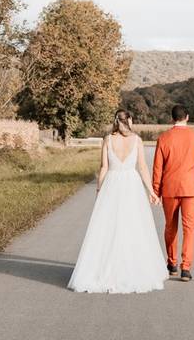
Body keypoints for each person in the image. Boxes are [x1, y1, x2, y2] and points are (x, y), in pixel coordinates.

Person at [68, 110, 167, 293]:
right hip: (132, 184)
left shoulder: (107, 139)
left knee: (109, 228)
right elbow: (143, 167)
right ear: (129, 120)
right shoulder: (137, 140)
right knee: (133, 226)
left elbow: (104, 167)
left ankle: (104, 270)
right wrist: (151, 191)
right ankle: (132, 270)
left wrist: (99, 191)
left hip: (112, 185)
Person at [152, 104, 194, 282]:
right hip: (191, 189)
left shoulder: (163, 138)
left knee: (170, 227)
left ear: (172, 118)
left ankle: (172, 264)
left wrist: (156, 190)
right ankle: (186, 268)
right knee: (189, 228)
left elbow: (157, 168)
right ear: (187, 117)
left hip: (170, 189)